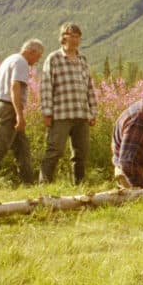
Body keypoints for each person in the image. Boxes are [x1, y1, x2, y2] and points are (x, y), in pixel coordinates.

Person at [0, 39, 44, 183]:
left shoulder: (10, 59)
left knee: (22, 147)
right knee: (0, 148)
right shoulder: (21, 62)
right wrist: (19, 115)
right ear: (31, 52)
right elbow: (15, 87)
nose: (37, 60)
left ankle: (28, 181)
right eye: (38, 56)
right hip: (9, 108)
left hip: (1, 105)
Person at [38, 22, 97, 184]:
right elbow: (46, 86)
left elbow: (89, 87)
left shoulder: (83, 59)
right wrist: (47, 112)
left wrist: (93, 112)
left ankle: (79, 185)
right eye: (72, 36)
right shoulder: (54, 58)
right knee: (54, 150)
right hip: (61, 114)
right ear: (63, 37)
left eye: (78, 36)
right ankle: (44, 185)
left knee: (81, 153)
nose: (75, 40)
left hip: (82, 114)